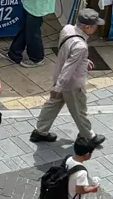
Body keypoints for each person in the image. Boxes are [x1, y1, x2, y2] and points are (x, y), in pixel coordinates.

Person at [32, 11, 100, 142]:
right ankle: (89, 136)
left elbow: (68, 53)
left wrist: (83, 61)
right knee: (79, 109)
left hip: (59, 76)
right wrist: (58, 88)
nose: (96, 28)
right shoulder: (81, 46)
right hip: (72, 83)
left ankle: (40, 130)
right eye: (95, 25)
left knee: (53, 104)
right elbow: (69, 67)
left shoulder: (67, 29)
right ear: (87, 27)